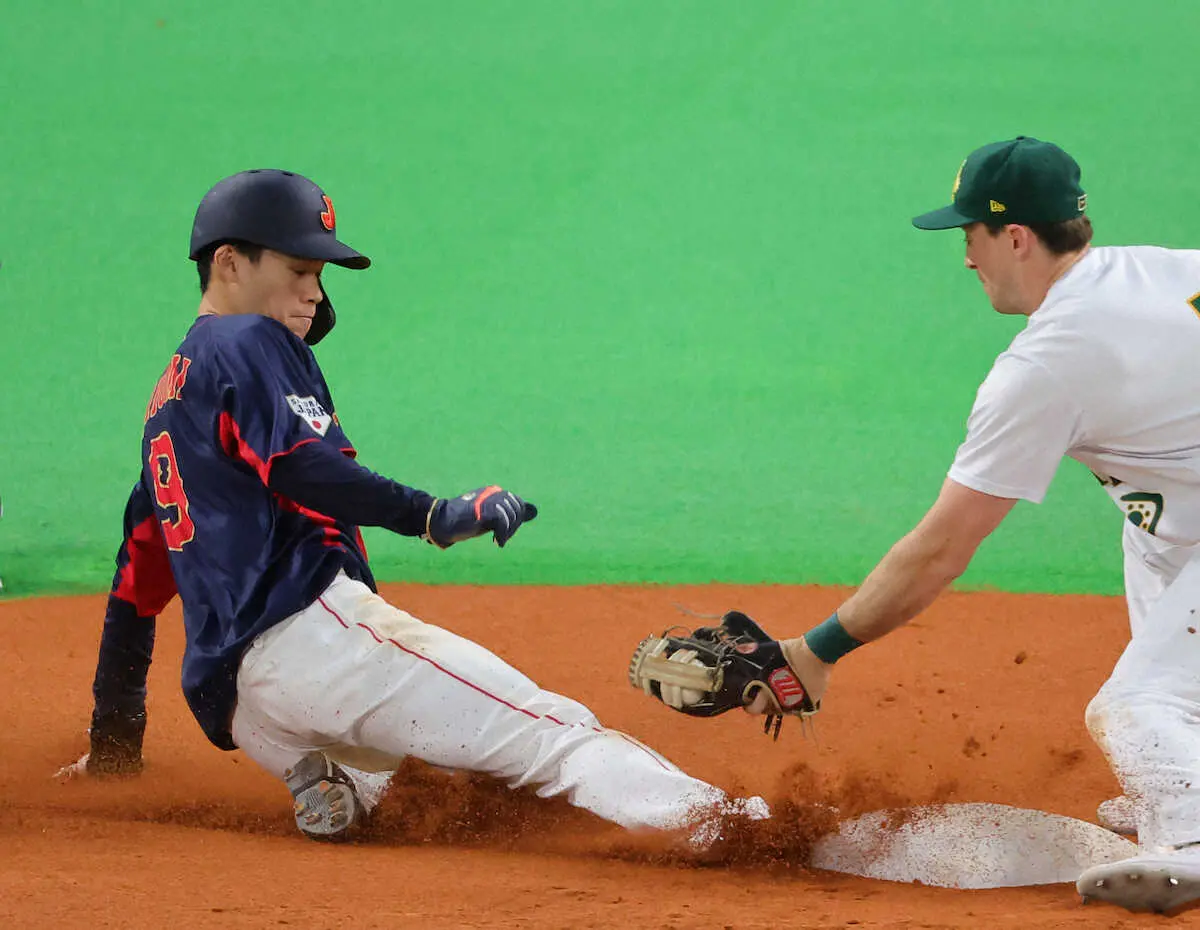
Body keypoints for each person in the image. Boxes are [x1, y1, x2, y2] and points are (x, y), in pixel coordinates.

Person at [72, 168, 764, 843]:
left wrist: (113, 749)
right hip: (319, 647)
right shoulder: (246, 339)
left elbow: (133, 594)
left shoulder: (166, 419)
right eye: (299, 270)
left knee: (450, 789)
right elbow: (301, 465)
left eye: (321, 276)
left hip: (244, 711)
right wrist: (432, 515)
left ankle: (336, 781)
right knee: (553, 735)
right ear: (229, 263)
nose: (314, 293)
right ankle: (742, 829)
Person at [641, 137, 1200, 913]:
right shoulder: (1165, 268)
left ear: (1015, 237)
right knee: (1159, 538)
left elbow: (941, 549)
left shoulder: (1047, 365)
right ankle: (1184, 780)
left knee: (1137, 705)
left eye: (970, 233)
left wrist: (815, 651)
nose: (965, 256)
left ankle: (1192, 840)